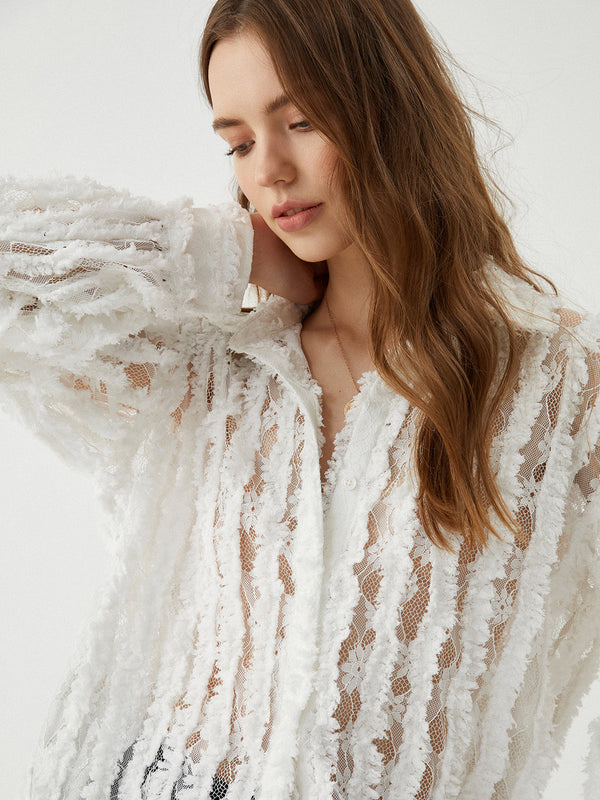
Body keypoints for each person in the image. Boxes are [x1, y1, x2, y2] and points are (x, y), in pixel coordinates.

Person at [1, 0, 598, 798]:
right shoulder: (212, 368)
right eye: (240, 142)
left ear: (391, 106)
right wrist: (230, 248)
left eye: (302, 121)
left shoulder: (560, 387)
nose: (269, 171)